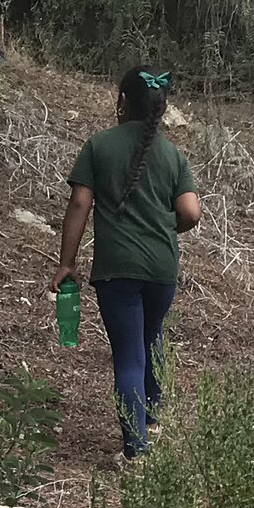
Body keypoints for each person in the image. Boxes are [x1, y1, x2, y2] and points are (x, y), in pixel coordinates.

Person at [55, 67, 200, 458]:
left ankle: (135, 450)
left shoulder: (100, 146)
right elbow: (190, 212)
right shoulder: (173, 155)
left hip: (117, 268)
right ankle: (153, 420)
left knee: (129, 356)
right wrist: (164, 227)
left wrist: (67, 262)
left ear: (122, 103)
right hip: (162, 270)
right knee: (152, 336)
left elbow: (80, 203)